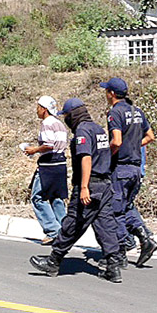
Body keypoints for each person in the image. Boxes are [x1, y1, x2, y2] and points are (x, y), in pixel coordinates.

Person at [29, 98, 122, 283]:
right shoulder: (98, 129)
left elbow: (86, 158)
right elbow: (106, 153)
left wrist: (85, 186)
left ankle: (54, 261)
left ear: (73, 115)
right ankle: (113, 267)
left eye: (67, 116)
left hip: (90, 185)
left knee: (73, 222)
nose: (66, 120)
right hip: (104, 185)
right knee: (106, 226)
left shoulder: (82, 131)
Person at [100, 77, 157, 268]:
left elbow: (116, 141)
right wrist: (133, 145)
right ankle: (145, 237)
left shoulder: (115, 113)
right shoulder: (137, 112)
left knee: (114, 210)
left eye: (106, 91)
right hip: (135, 169)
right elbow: (150, 137)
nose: (106, 95)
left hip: (121, 169)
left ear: (112, 94)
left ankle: (123, 247)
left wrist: (107, 156)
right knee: (126, 207)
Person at [25, 96, 68, 245]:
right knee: (56, 198)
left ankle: (52, 231)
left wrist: (33, 150)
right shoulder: (59, 124)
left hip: (48, 165)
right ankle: (65, 231)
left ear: (44, 109)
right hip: (60, 163)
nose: (36, 110)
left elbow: (48, 145)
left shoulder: (47, 123)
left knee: (37, 197)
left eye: (38, 107)